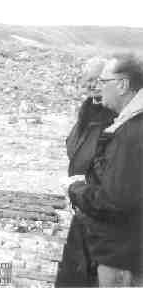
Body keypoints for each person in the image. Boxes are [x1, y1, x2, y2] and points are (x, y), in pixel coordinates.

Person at [66, 53, 143, 286]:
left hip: (122, 253)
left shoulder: (130, 132)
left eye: (103, 81)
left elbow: (115, 200)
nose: (97, 87)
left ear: (122, 85)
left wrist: (76, 189)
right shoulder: (127, 124)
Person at [56, 57, 117, 287]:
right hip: (83, 201)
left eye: (98, 80)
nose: (92, 85)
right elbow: (73, 146)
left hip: (99, 202)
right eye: (88, 80)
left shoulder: (115, 115)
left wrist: (84, 181)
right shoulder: (89, 110)